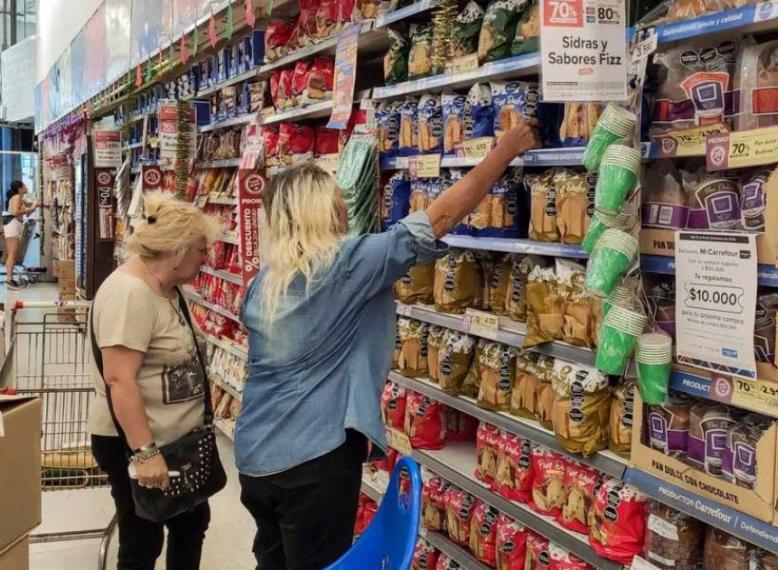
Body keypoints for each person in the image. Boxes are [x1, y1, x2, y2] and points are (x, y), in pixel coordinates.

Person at [236, 121, 541, 569]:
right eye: (335, 197)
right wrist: (503, 152)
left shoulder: (264, 283)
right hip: (313, 457)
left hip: (257, 456)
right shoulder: (344, 265)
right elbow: (439, 218)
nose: (344, 203)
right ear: (319, 210)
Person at [88, 191, 222, 570]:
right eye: (200, 249)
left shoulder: (164, 288)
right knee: (142, 539)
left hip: (177, 440)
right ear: (177, 251)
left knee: (192, 522)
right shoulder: (130, 294)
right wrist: (145, 454)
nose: (204, 258)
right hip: (137, 442)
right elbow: (119, 379)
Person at [4, 180, 36, 290]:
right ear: (20, 188)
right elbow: (15, 212)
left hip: (14, 225)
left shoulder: (20, 198)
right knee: (12, 254)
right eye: (24, 185)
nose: (26, 187)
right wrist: (30, 209)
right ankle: (9, 280)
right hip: (12, 225)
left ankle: (10, 279)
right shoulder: (17, 197)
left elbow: (30, 206)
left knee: (14, 254)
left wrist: (36, 206)